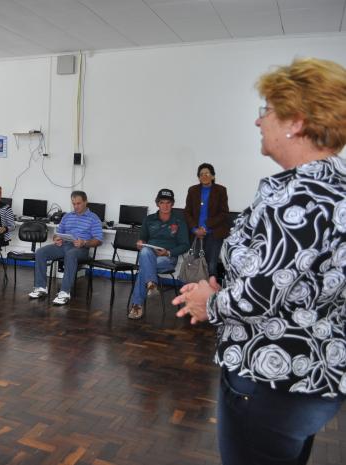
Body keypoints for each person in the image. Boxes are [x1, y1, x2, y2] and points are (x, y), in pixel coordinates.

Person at [174, 57, 346, 465]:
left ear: (297, 121)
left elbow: (265, 289)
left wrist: (208, 302)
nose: (258, 121)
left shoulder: (298, 195)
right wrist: (219, 282)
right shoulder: (334, 185)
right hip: (313, 374)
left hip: (271, 376)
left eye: (266, 110)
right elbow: (288, 274)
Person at [28, 191, 102, 305]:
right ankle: (41, 288)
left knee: (71, 254)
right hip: (64, 245)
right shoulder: (67, 216)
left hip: (81, 249)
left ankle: (64, 292)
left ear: (86, 202)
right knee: (40, 252)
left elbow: (98, 240)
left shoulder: (94, 218)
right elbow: (57, 233)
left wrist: (84, 242)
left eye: (79, 203)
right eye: (74, 204)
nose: (76, 206)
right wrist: (56, 238)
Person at [128, 188, 189, 320]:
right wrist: (140, 242)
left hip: (167, 258)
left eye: (168, 202)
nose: (165, 206)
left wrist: (168, 252)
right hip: (149, 255)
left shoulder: (179, 222)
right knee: (144, 251)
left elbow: (185, 245)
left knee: (143, 270)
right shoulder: (149, 219)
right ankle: (150, 284)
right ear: (157, 203)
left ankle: (137, 304)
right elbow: (142, 239)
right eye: (162, 202)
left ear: (172, 204)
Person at [183, 163, 229, 278]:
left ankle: (211, 294)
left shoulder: (221, 190)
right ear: (198, 177)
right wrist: (195, 229)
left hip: (214, 233)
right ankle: (196, 293)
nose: (204, 176)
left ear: (213, 176)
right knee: (196, 264)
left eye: (207, 173)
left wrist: (206, 226)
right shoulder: (192, 190)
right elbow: (187, 212)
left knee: (211, 265)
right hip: (196, 234)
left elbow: (224, 213)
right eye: (201, 174)